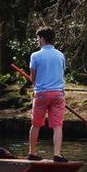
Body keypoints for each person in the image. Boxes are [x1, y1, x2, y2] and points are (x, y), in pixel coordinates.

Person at [27, 27, 67, 162]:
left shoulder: (35, 56)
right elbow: (60, 74)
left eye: (38, 38)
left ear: (43, 39)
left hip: (41, 94)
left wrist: (35, 81)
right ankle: (57, 154)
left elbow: (33, 79)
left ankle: (32, 153)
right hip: (58, 94)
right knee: (57, 125)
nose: (37, 41)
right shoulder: (60, 55)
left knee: (36, 124)